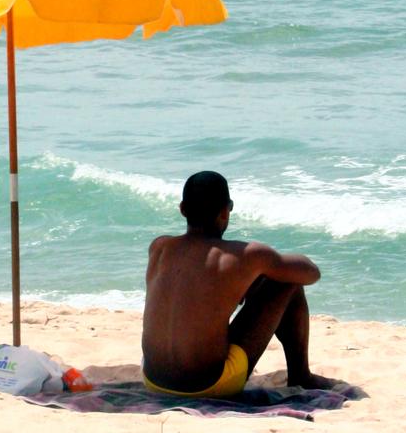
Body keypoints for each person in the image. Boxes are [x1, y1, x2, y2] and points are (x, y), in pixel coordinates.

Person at [141, 170, 333, 397]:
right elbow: (311, 274)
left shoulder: (160, 248)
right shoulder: (244, 256)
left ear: (183, 209)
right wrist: (269, 267)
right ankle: (301, 375)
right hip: (208, 385)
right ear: (225, 211)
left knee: (253, 281)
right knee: (286, 283)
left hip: (153, 379)